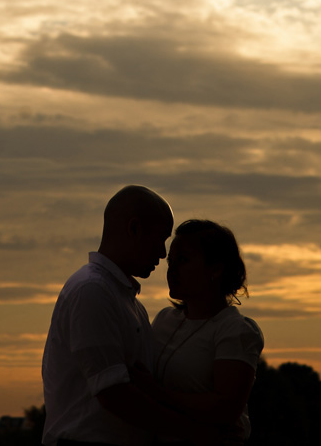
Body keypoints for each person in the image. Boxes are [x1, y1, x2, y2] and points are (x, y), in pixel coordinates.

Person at [42, 185, 210, 446]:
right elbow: (114, 394)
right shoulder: (93, 291)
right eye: (161, 238)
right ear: (134, 229)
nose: (163, 253)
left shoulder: (120, 299)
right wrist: (196, 432)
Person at [134, 219, 264, 439]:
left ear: (215, 269)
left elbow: (225, 408)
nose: (172, 270)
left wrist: (156, 393)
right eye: (170, 262)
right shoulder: (165, 319)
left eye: (183, 260)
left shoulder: (235, 331)